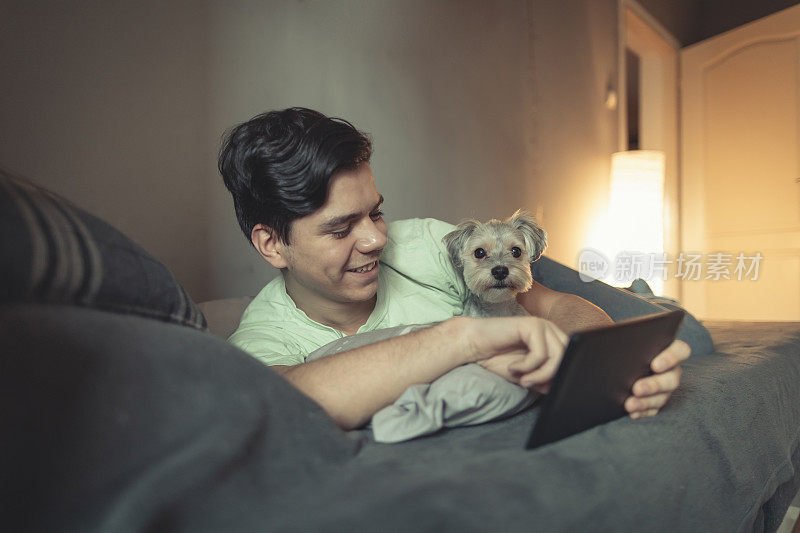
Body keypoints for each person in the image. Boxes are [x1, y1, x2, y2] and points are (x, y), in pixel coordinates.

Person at [218, 107, 690, 430]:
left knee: (678, 331)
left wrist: (608, 369)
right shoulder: (264, 337)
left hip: (526, 281)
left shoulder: (422, 242)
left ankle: (641, 294)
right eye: (342, 229)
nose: (377, 239)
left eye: (376, 213)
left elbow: (552, 303)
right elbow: (277, 405)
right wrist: (462, 338)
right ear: (272, 244)